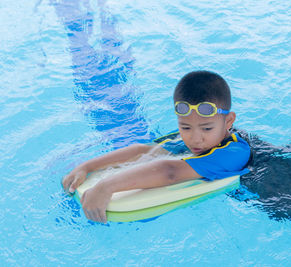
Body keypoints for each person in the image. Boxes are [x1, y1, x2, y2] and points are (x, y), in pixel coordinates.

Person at [62, 70, 251, 223]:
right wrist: (86, 167)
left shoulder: (235, 153)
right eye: (185, 127)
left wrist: (106, 186)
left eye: (207, 128)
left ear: (229, 121)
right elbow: (144, 151)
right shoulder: (192, 139)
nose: (195, 139)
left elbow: (170, 171)